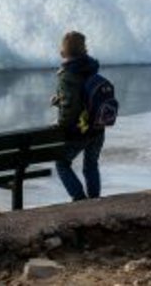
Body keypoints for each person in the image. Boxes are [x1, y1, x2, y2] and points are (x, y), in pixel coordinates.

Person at [50, 30, 104, 201]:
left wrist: (61, 126)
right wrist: (60, 100)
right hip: (97, 128)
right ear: (84, 49)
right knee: (91, 165)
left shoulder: (67, 76)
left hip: (78, 131)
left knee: (62, 164)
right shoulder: (91, 68)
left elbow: (70, 109)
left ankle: (79, 198)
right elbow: (83, 97)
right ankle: (94, 199)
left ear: (64, 52)